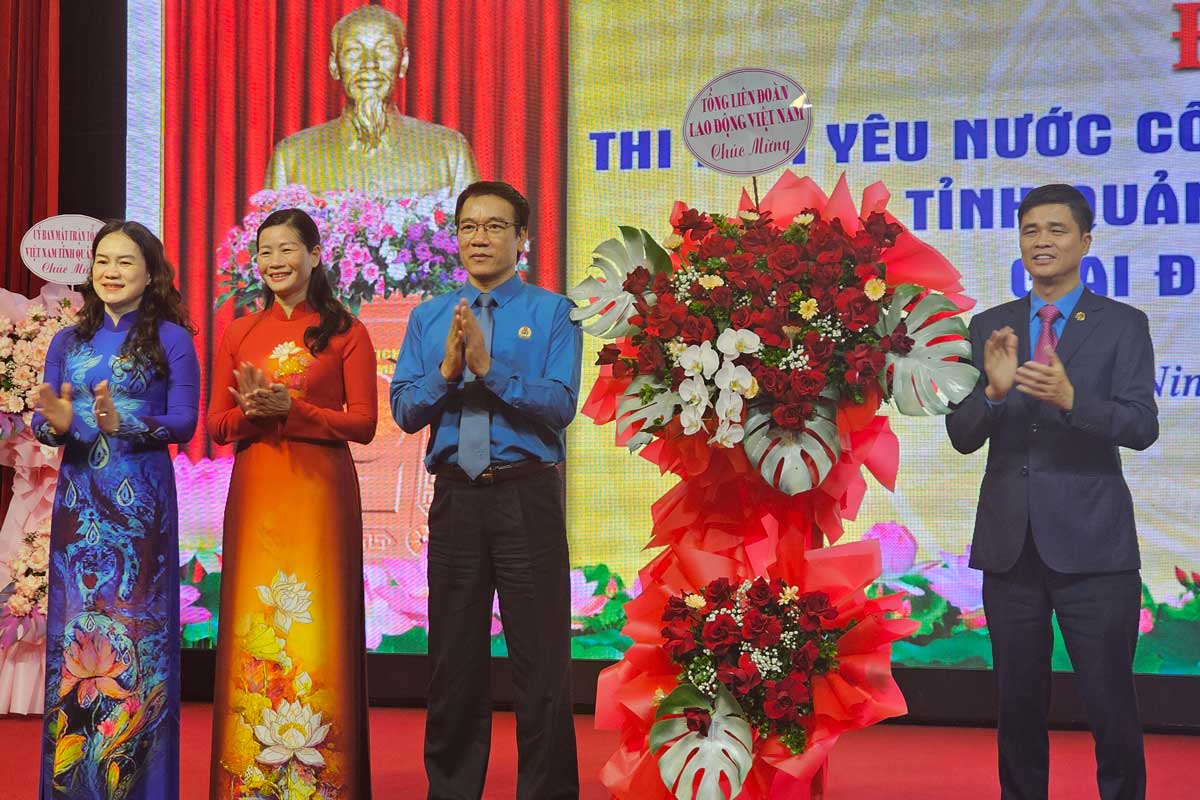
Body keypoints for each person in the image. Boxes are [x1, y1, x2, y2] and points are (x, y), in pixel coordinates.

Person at [946, 184, 1158, 800]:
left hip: (1095, 549)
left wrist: (1072, 400)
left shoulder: (1122, 324)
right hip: (1011, 550)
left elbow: (1141, 426)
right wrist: (991, 393)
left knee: (1110, 702)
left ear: (1085, 242)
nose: (1042, 241)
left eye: (1057, 230)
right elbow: (961, 435)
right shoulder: (989, 326)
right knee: (1015, 705)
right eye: (1031, 230)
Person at [391, 181, 582, 799]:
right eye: (469, 226)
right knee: (453, 663)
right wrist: (448, 372)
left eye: (496, 226)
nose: (480, 238)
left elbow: (559, 405)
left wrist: (488, 370)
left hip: (526, 495)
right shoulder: (427, 316)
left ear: (521, 238)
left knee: (541, 662)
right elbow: (404, 410)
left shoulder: (553, 312)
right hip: (457, 497)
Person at [206, 208, 377, 798]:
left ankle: (321, 781)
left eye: (288, 250)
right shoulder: (239, 331)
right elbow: (216, 424)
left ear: (314, 255)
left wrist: (293, 410)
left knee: (316, 626)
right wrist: (250, 414)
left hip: (320, 496)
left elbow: (364, 424)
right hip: (258, 492)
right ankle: (250, 780)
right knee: (257, 627)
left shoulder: (345, 330)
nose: (275, 262)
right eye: (265, 252)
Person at [32, 221, 200, 799]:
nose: (110, 271)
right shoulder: (67, 342)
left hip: (141, 506)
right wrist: (51, 427)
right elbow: (48, 416)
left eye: (125, 262)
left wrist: (124, 420)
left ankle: (136, 783)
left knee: (139, 630)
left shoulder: (172, 338)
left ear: (150, 273)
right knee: (74, 635)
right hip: (79, 500)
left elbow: (185, 422)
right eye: (103, 260)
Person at [265, 4, 479, 198]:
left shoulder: (449, 152)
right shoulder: (292, 157)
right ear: (334, 65)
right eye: (354, 51)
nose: (370, 64)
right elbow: (270, 238)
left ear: (403, 62)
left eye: (384, 50)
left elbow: (476, 236)